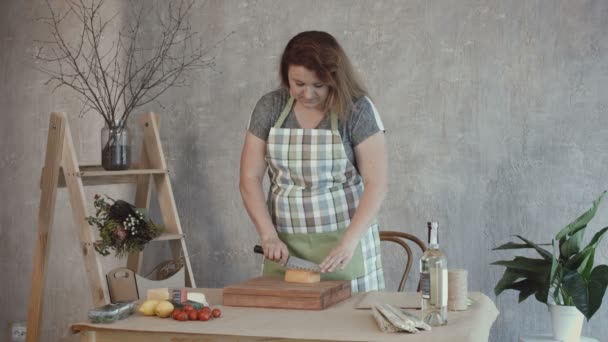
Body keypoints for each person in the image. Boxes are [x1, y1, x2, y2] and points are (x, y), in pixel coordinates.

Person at [239, 31, 387, 292]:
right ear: (286, 75)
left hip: (344, 246)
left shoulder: (356, 110)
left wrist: (349, 242)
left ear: (334, 78)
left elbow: (377, 184)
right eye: (298, 84)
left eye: (318, 85)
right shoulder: (270, 107)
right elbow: (249, 178)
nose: (307, 94)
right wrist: (268, 235)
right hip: (285, 245)